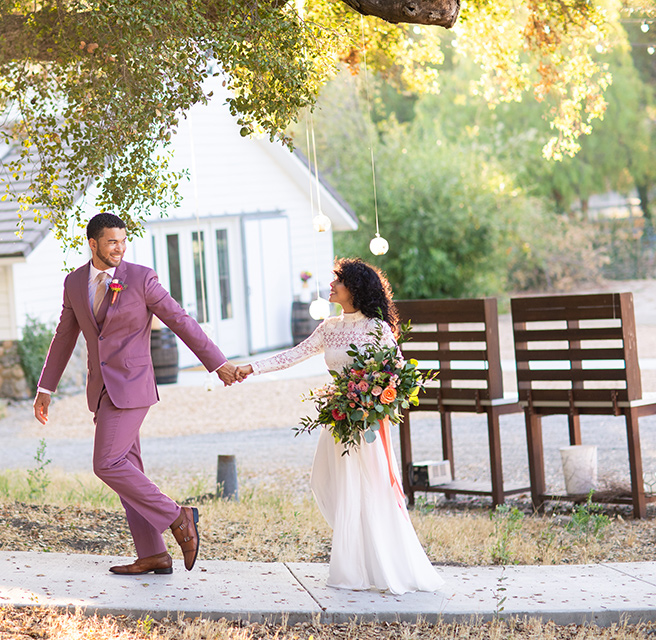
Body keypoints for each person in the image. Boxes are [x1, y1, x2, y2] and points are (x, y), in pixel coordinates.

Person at [33, 212, 237, 576]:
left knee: (106, 463)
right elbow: (64, 336)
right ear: (93, 243)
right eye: (112, 241)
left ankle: (178, 517)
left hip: (133, 386)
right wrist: (45, 388)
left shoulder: (141, 278)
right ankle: (153, 554)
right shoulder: (75, 283)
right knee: (128, 468)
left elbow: (180, 320)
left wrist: (216, 363)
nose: (119, 248)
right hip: (101, 390)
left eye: (123, 241)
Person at [235, 257, 443, 595]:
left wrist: (372, 401)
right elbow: (293, 354)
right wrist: (250, 369)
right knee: (328, 480)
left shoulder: (376, 329)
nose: (330, 285)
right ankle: (355, 559)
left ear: (355, 289)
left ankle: (370, 567)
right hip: (338, 418)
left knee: (368, 487)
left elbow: (400, 373)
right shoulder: (329, 327)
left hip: (366, 422)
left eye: (338, 281)